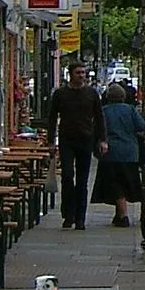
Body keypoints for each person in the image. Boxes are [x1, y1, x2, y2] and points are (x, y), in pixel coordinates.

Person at [44, 64, 104, 230]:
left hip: (86, 139)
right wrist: (51, 141)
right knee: (67, 176)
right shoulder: (60, 94)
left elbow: (99, 117)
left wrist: (102, 139)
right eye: (78, 73)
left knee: (83, 181)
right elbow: (51, 118)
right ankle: (68, 214)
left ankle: (80, 218)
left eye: (83, 73)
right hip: (66, 139)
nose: (81, 75)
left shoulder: (91, 93)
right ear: (70, 74)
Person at [93, 81, 145, 228]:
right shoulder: (130, 110)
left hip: (110, 153)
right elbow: (142, 126)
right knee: (125, 182)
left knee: (114, 183)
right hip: (130, 152)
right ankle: (120, 215)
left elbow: (96, 129)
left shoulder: (103, 111)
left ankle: (123, 215)